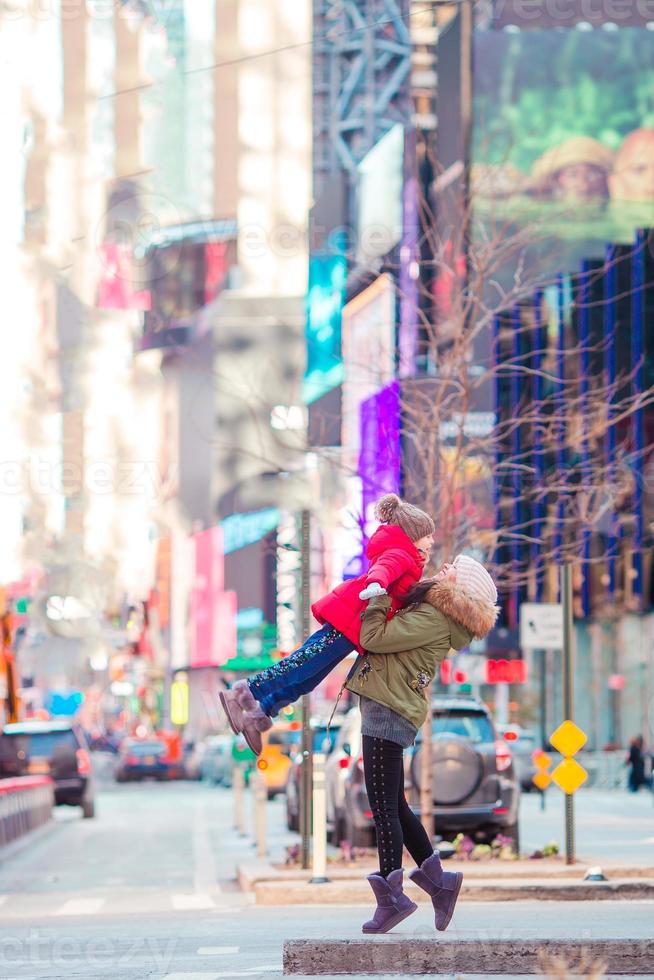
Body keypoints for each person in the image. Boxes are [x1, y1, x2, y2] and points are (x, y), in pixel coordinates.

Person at [345, 555, 498, 934]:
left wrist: (377, 598)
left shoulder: (433, 618)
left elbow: (373, 637)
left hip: (388, 707)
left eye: (451, 570)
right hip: (390, 704)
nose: (443, 568)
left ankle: (392, 897)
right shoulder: (435, 614)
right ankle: (440, 884)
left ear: (459, 587)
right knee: (394, 804)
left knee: (383, 809)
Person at [219, 494, 435, 754]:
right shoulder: (402, 554)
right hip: (347, 620)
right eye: (427, 535)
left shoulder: (411, 561)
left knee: (309, 677)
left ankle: (261, 711)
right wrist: (376, 584)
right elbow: (384, 569)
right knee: (302, 664)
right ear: (412, 534)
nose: (431, 541)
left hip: (353, 630)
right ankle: (245, 691)